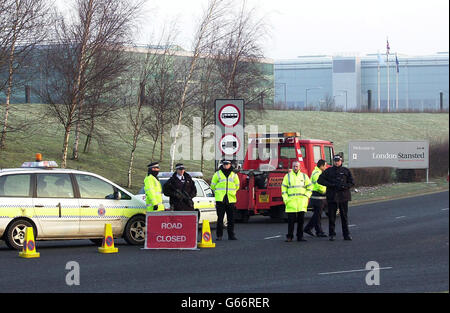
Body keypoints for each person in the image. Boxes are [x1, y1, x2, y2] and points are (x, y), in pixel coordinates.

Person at [317, 155, 355, 241]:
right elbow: (320, 180)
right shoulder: (328, 171)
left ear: (341, 161)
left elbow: (352, 182)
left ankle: (346, 235)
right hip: (332, 196)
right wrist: (331, 185)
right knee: (332, 217)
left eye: (338, 160)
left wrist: (344, 186)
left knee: (344, 216)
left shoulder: (346, 171)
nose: (336, 162)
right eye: (335, 160)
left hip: (343, 196)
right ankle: (332, 234)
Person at [281, 162, 313, 242]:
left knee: (301, 221)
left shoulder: (304, 176)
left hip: (301, 202)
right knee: (291, 221)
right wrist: (286, 199)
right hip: (291, 202)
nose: (295, 168)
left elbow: (310, 187)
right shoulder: (287, 176)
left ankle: (300, 237)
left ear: (299, 167)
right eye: (294, 166)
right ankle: (290, 237)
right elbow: (283, 189)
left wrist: (306, 196)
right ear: (292, 167)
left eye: (297, 166)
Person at [210, 160, 240, 241]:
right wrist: (218, 192)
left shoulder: (234, 175)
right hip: (220, 199)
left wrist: (232, 192)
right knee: (220, 218)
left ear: (230, 165)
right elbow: (212, 186)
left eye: (227, 164)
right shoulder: (217, 174)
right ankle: (219, 236)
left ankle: (231, 235)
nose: (226, 166)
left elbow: (237, 186)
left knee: (231, 219)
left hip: (230, 199)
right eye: (224, 164)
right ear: (222, 165)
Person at [304, 159, 328, 238]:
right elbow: (319, 185)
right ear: (321, 166)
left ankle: (316, 231)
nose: (326, 167)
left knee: (317, 215)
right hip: (318, 197)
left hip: (317, 197)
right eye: (325, 165)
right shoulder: (317, 173)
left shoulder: (317, 172)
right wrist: (326, 191)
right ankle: (311, 229)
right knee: (317, 215)